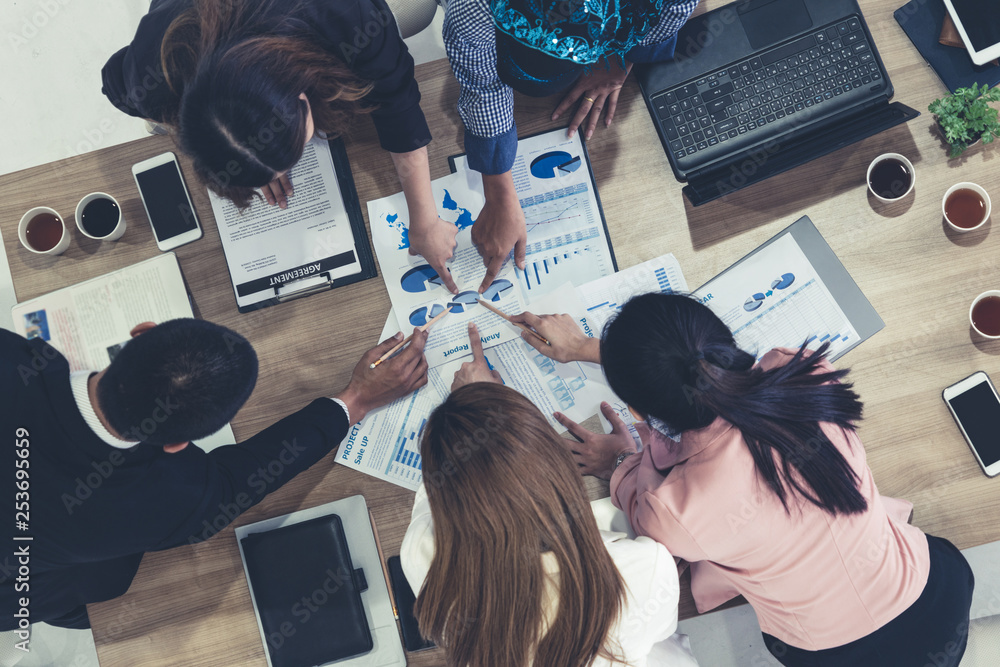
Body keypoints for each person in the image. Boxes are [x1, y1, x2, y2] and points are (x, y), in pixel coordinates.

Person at [511, 294, 976, 666]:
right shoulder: (809, 374)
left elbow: (641, 499)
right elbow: (696, 369)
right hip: (940, 593)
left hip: (832, 655)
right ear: (726, 343)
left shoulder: (673, 511)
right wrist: (599, 351)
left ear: (636, 414)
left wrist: (624, 459)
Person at [1, 317, 428, 630]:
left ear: (141, 332)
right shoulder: (161, 501)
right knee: (105, 581)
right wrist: (355, 400)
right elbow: (235, 483)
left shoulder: (14, 356)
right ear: (176, 445)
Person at [102, 0, 462, 292]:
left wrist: (425, 221)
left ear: (302, 93)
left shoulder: (347, 17)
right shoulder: (153, 69)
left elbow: (396, 101)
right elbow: (111, 82)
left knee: (415, 10)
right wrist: (244, 148)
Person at [399, 323, 699, 667]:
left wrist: (477, 412)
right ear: (557, 467)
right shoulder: (642, 569)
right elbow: (659, 630)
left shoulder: (422, 553)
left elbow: (439, 486)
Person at [443, 0, 698, 291]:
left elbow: (677, 6)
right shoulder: (472, 6)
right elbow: (483, 86)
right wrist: (498, 191)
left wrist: (620, 59)